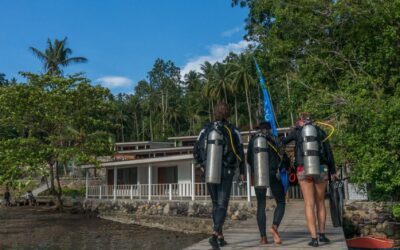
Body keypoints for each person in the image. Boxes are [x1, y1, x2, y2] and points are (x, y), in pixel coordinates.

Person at [193, 102, 245, 250]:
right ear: (228, 113)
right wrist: (241, 171)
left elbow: (195, 149)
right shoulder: (233, 130)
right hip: (226, 171)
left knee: (215, 203)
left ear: (215, 113)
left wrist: (202, 165)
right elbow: (240, 152)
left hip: (209, 169)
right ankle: (215, 234)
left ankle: (220, 237)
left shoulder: (205, 129)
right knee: (222, 203)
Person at [281, 112, 336, 247]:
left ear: (300, 121)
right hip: (321, 167)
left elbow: (281, 142)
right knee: (320, 202)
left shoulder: (297, 132)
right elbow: (328, 152)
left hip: (302, 169)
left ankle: (314, 239)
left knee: (309, 204)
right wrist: (333, 171)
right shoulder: (320, 131)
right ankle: (322, 235)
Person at [247, 121, 290, 245]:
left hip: (259, 175)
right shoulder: (274, 139)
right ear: (269, 129)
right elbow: (284, 158)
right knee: (281, 201)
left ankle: (263, 238)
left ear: (259, 129)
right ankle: (274, 227)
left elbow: (249, 159)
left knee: (261, 204)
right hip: (272, 174)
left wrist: (257, 169)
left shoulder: (253, 140)